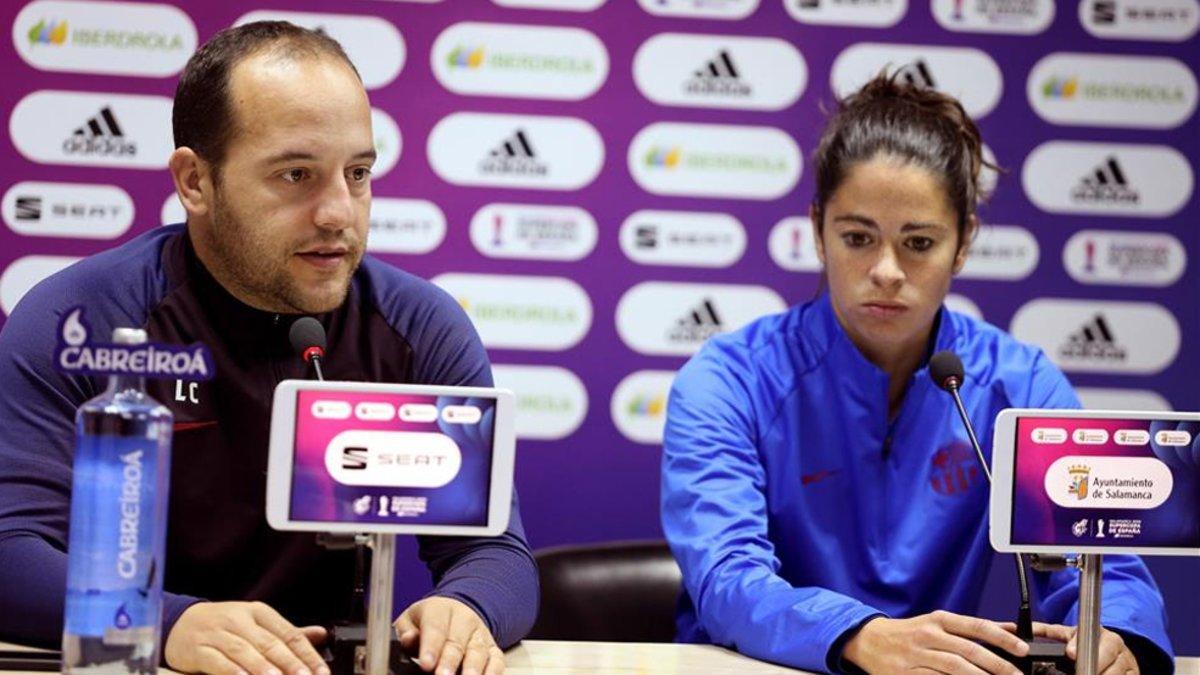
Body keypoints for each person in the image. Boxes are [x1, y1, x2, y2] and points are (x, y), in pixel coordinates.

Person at [0, 22, 536, 675]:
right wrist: (166, 619)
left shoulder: (418, 326)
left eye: (359, 172)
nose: (340, 212)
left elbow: (495, 553)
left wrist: (469, 606)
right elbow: (10, 550)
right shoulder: (81, 321)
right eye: (295, 174)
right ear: (195, 181)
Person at [661, 72, 1173, 674]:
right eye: (857, 237)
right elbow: (727, 579)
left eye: (919, 243)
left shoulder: (1020, 383)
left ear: (963, 244)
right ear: (818, 233)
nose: (885, 270)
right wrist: (858, 635)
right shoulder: (730, 380)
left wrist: (1115, 637)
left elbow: (1099, 567)